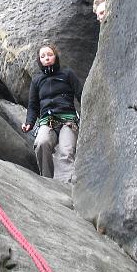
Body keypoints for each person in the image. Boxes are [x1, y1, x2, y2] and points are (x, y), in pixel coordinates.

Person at [22, 43, 83, 184]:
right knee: (41, 143)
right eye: (43, 56)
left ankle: (68, 185)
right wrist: (29, 123)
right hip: (47, 122)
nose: (47, 58)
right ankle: (47, 183)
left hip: (68, 121)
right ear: (39, 60)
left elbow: (81, 95)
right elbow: (33, 106)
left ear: (55, 57)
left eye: (50, 55)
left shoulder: (67, 74)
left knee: (66, 151)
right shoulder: (37, 81)